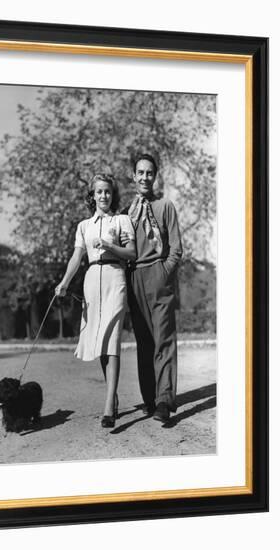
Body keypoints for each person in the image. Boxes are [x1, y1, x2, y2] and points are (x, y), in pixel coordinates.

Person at [55, 174, 136, 428]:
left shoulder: (121, 220)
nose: (104, 196)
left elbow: (132, 253)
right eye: (99, 192)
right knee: (101, 341)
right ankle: (113, 396)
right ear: (92, 195)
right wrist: (65, 282)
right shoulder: (84, 226)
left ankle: (108, 405)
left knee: (112, 338)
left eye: (108, 192)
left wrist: (109, 246)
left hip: (115, 279)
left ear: (113, 195)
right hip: (92, 282)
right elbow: (77, 257)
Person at [121, 154, 183, 423]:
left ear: (155, 176)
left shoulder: (165, 205)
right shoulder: (126, 212)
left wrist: (163, 273)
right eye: (140, 172)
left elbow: (177, 248)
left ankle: (164, 401)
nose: (145, 177)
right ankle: (149, 399)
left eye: (149, 173)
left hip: (157, 276)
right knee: (144, 343)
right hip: (134, 278)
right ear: (133, 176)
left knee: (164, 341)